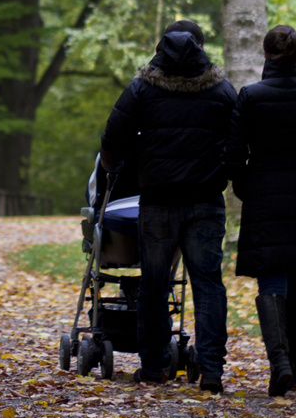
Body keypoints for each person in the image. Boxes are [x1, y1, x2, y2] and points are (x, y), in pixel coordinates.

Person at [100, 20, 235, 393]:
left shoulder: (142, 88)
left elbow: (113, 136)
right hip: (205, 201)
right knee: (208, 285)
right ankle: (210, 370)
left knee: (154, 286)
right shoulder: (222, 90)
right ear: (202, 48)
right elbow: (238, 141)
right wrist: (224, 172)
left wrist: (115, 169)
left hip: (158, 202)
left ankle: (155, 368)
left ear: (160, 48)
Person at [223, 24, 296, 397]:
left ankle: (280, 364)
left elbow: (232, 153)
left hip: (265, 197)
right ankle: (291, 365)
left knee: (271, 279)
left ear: (265, 54)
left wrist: (248, 188)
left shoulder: (251, 97)